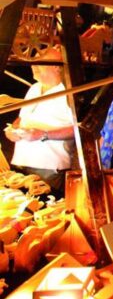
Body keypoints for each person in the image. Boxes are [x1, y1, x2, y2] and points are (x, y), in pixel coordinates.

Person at [5, 47, 75, 195]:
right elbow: (23, 117)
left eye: (39, 63)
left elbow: (76, 129)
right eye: (33, 63)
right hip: (20, 162)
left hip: (47, 167)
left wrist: (43, 134)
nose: (33, 67)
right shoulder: (34, 88)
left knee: (44, 207)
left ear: (56, 66)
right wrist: (13, 129)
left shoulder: (69, 93)